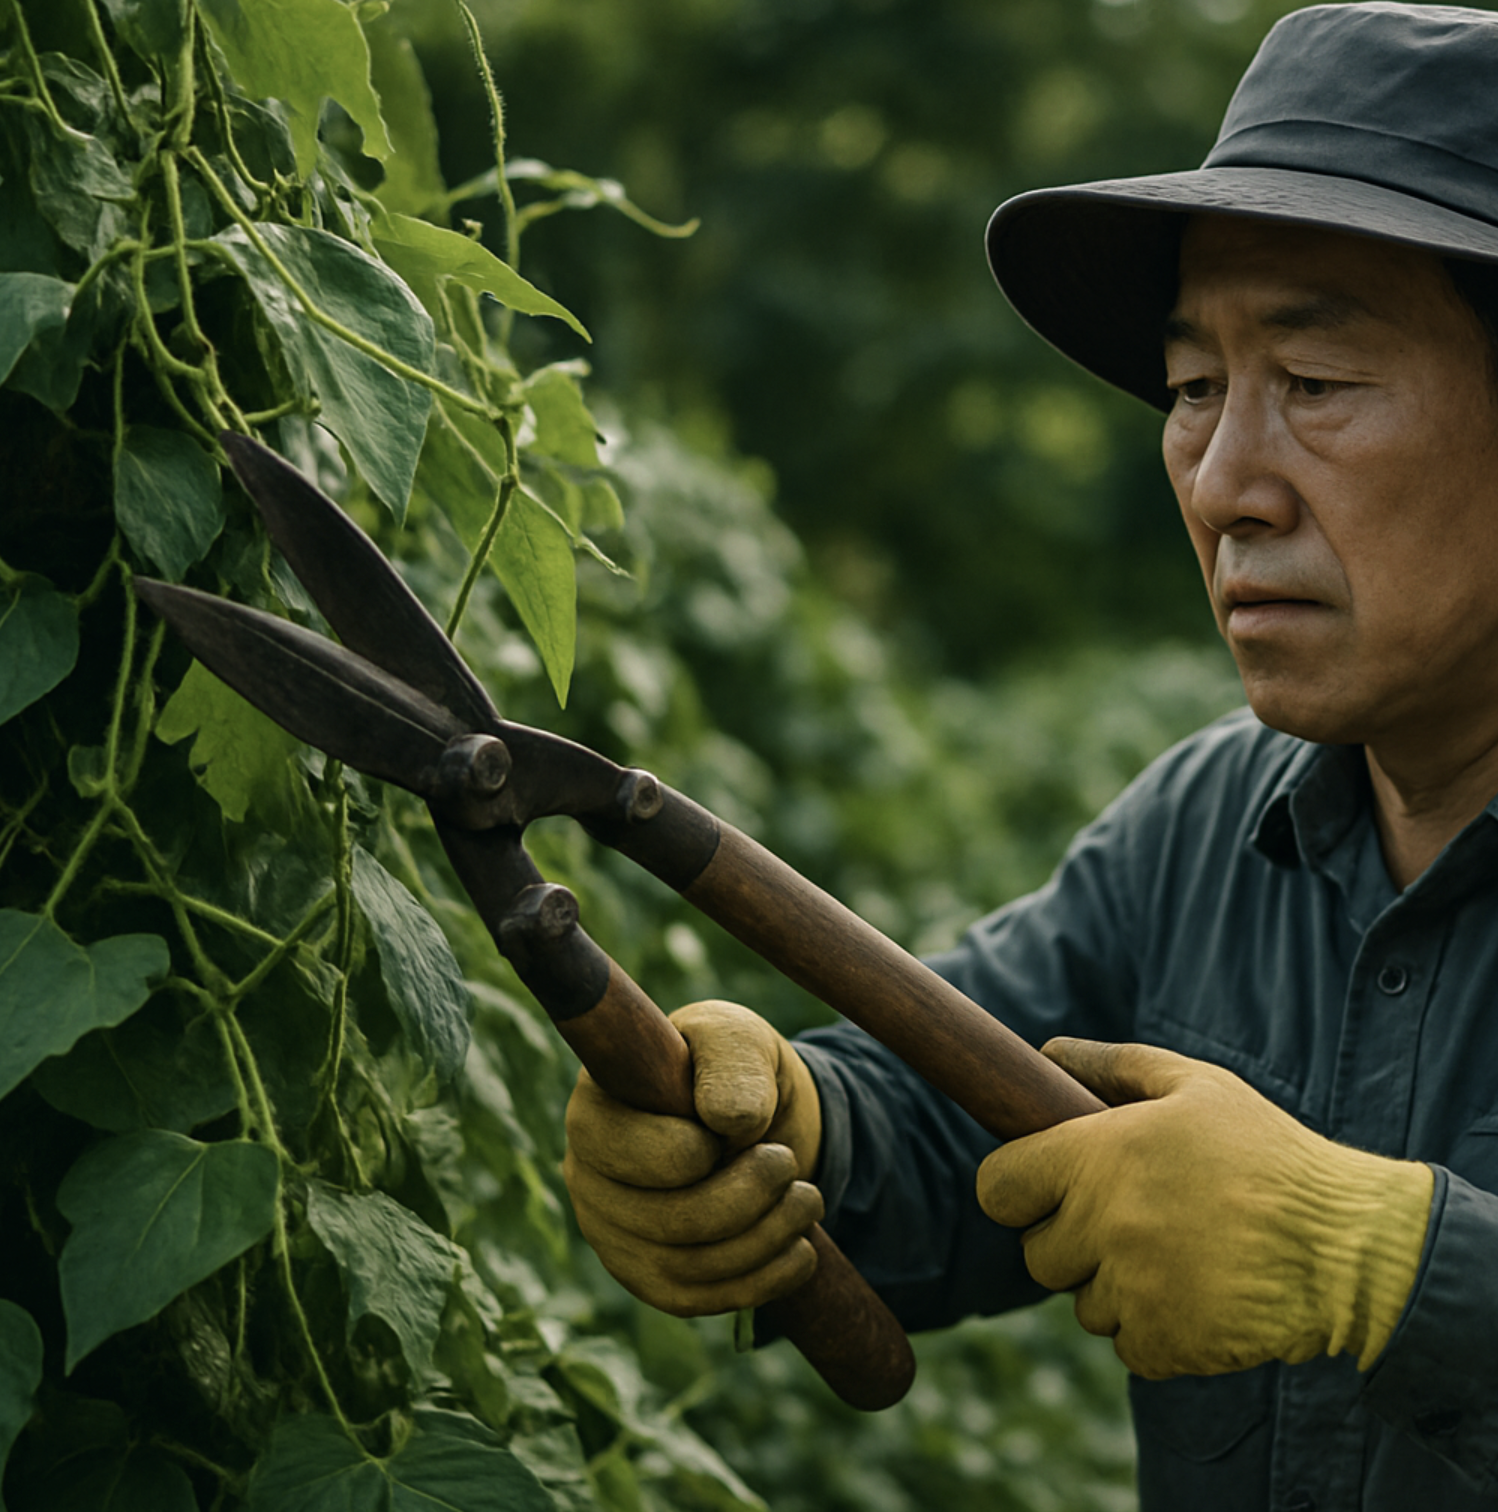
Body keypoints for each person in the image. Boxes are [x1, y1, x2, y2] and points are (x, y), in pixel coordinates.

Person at [562, 4, 1498, 1505]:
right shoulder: (1200, 833)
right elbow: (953, 1104)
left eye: (1313, 387)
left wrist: (1388, 1265)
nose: (1226, 484)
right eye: (1193, 389)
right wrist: (776, 1127)